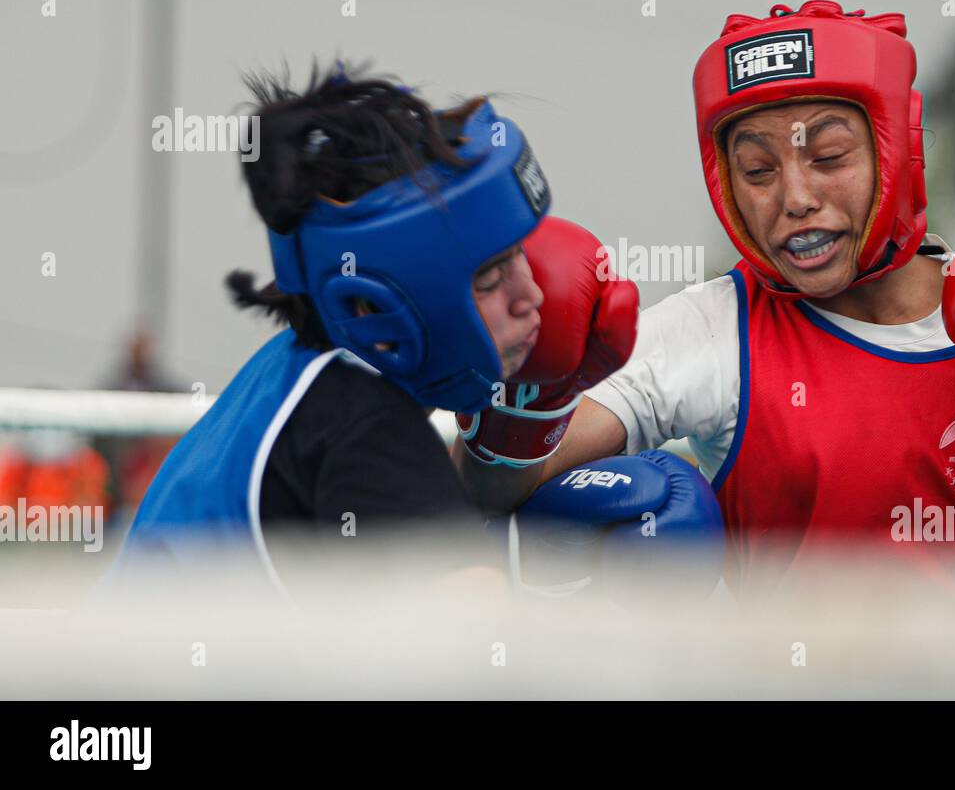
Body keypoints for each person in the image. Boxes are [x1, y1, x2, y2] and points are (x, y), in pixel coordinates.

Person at [459, 0, 955, 599]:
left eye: (827, 156)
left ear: (899, 155)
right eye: (757, 169)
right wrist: (532, 383)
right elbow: (490, 489)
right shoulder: (714, 328)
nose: (793, 198)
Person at [110, 65, 640, 597]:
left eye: (518, 255)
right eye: (488, 275)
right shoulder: (364, 430)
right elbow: (478, 651)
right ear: (377, 302)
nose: (533, 297)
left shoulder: (294, 372)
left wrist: (528, 418)